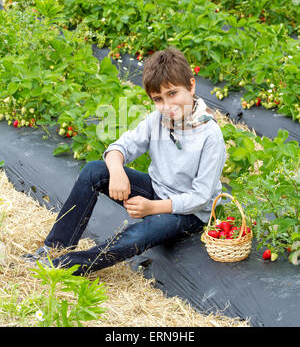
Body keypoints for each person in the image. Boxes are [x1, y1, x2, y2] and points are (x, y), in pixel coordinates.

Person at [23, 47, 226, 276]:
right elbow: (120, 147)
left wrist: (153, 208)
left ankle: (66, 266)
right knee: (94, 171)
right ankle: (55, 247)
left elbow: (201, 197)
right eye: (158, 99)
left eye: (172, 94)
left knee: (142, 232)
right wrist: (117, 169)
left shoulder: (210, 135)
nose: (167, 106)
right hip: (156, 191)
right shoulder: (157, 120)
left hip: (189, 213)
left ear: (191, 86)